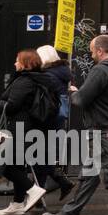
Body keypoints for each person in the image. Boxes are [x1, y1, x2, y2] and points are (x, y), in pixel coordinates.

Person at [42, 34, 108, 215]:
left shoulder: (100, 71)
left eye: (91, 51)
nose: (90, 54)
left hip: (102, 129)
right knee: (89, 175)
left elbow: (80, 100)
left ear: (100, 50)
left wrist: (73, 92)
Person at [0, 50, 56, 215]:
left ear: (26, 64)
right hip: (25, 127)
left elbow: (12, 106)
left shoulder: (24, 81)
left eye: (18, 61)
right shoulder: (35, 79)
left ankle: (33, 190)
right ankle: (17, 203)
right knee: (16, 165)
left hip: (18, 128)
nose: (15, 63)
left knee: (6, 166)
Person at [36, 45, 76, 199]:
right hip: (59, 117)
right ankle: (40, 194)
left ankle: (54, 184)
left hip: (48, 117)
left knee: (40, 155)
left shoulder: (48, 75)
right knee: (43, 155)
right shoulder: (63, 72)